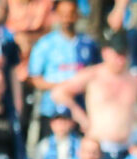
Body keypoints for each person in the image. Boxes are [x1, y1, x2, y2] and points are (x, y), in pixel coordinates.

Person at [52, 31, 137, 159]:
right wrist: (81, 117)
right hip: (98, 148)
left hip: (126, 149)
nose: (120, 59)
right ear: (106, 52)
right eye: (117, 54)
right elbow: (59, 93)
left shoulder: (134, 79)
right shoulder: (93, 75)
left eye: (124, 54)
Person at [27, 0, 100, 139]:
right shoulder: (45, 44)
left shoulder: (89, 44)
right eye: (63, 14)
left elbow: (98, 73)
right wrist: (64, 88)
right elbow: (34, 79)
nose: (67, 19)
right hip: (52, 110)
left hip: (81, 110)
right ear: (57, 16)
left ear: (77, 15)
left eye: (71, 14)